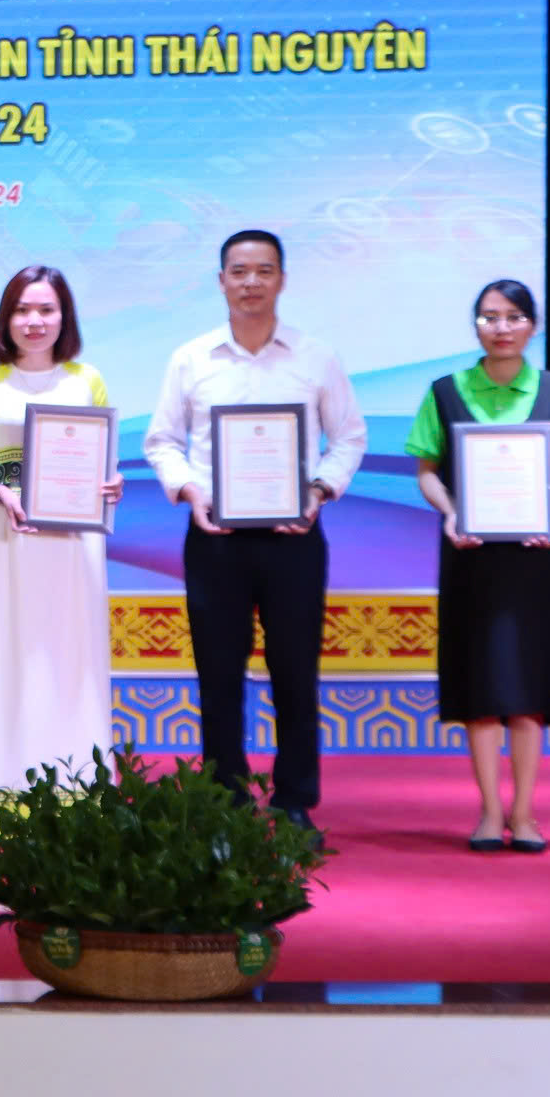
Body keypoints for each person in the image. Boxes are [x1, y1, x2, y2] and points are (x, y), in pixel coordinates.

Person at [142, 230, 367, 835]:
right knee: (218, 672)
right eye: (239, 271)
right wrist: (190, 492)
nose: (251, 282)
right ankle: (225, 798)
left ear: (282, 279)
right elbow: (161, 441)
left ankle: (294, 800)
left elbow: (349, 436)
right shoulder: (191, 359)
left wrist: (318, 491)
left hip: (295, 536)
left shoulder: (315, 356)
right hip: (215, 537)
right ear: (221, 281)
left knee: (296, 671)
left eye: (264, 271)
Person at [405, 280, 550, 854]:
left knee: (529, 687)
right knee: (482, 685)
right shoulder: (445, 391)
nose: (502, 327)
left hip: (539, 557)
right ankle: (490, 811)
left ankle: (526, 813)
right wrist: (450, 511)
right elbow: (427, 471)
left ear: (532, 325)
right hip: (472, 556)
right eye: (489, 317)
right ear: (476, 325)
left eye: (514, 316)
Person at [0, 266, 126, 839]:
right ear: (6, 318)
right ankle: (2, 807)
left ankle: (81, 804)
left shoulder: (87, 380)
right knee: (6, 658)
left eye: (46, 309)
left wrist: (112, 483)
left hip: (73, 544)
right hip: (6, 536)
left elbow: (104, 462)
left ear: (63, 317)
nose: (34, 321)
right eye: (22, 309)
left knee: (73, 662)